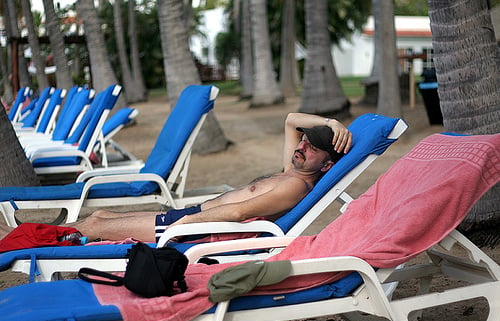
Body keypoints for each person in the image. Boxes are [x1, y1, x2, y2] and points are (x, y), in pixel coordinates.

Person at [0, 113, 352, 243]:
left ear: (325, 167)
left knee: (95, 227)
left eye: (313, 148)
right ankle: (24, 236)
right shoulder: (292, 168)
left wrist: (179, 225)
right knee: (100, 217)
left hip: (193, 228)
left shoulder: (295, 184)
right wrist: (333, 125)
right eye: (305, 141)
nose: (302, 145)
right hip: (191, 217)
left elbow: (238, 214)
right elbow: (292, 119)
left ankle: (19, 240)